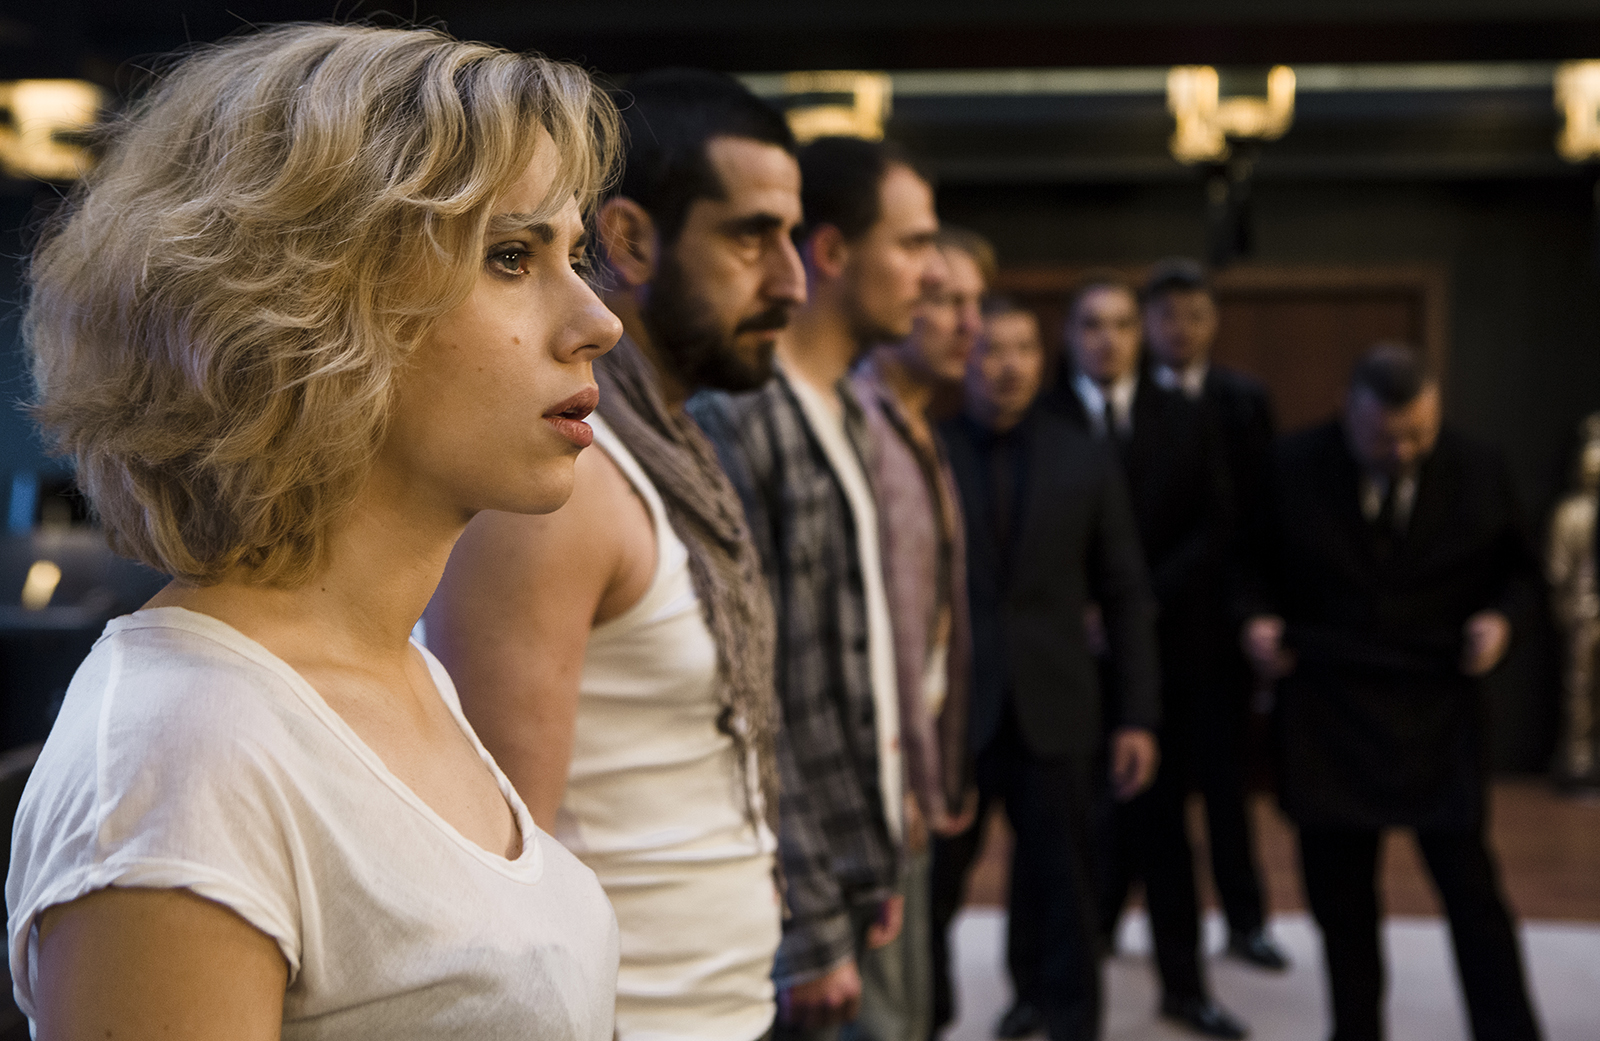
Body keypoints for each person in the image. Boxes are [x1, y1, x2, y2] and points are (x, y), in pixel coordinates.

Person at [7, 23, 623, 1038]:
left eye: (573, 254)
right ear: (316, 310)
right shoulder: (183, 752)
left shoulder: (398, 670)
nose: (598, 320)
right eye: (511, 257)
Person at [425, 70, 802, 1041]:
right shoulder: (557, 489)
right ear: (632, 240)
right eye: (752, 236)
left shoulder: (667, 446)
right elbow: (508, 867)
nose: (792, 281)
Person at [691, 136, 940, 1041]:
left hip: (862, 844)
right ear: (835, 252)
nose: (930, 271)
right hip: (805, 882)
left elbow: (854, 655)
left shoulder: (849, 408)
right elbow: (762, 688)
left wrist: (887, 817)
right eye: (911, 244)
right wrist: (813, 923)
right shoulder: (745, 414)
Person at [1242, 342, 1543, 1041]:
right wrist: (1253, 620)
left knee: (1473, 894)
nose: (1402, 450)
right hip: (1329, 706)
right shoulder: (1290, 465)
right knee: (1341, 902)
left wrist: (1501, 622)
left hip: (1437, 704)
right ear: (1347, 412)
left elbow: (1523, 576)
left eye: (1418, 434)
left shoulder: (1478, 466)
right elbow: (1245, 564)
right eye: (1383, 436)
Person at [938, 298, 1160, 1041]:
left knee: (1066, 889)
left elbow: (1126, 592)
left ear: (1042, 359)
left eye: (1023, 348)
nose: (1008, 365)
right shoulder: (928, 450)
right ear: (965, 360)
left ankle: (1063, 1016)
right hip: (955, 711)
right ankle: (922, 1018)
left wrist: (1138, 715)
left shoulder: (1082, 454)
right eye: (991, 349)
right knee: (933, 891)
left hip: (1057, 702)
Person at [1041, 273, 1247, 1039]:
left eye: (1123, 324)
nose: (1108, 339)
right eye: (1092, 325)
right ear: (1071, 336)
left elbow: (1215, 527)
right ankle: (1046, 985)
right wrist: (1079, 606)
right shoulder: (1042, 418)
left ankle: (1184, 986)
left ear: (1140, 334)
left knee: (1164, 833)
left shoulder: (1184, 417)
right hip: (1062, 656)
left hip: (1163, 657)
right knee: (1060, 834)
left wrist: (1134, 602)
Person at [851, 226, 990, 1041]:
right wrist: (895, 767)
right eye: (945, 301)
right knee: (882, 1014)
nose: (969, 323)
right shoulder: (862, 423)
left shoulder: (916, 421)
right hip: (876, 767)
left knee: (909, 1004)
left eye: (974, 302)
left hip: (914, 750)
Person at [1141, 258, 1288, 972]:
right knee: (1146, 790)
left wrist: (1261, 611)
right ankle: (1116, 919)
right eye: (1168, 316)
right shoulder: (1128, 398)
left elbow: (1262, 516)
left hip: (1223, 626)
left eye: (1195, 315)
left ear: (1214, 322)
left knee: (1228, 789)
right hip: (1146, 622)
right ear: (1148, 323)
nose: (1182, 329)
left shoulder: (1243, 400)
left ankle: (1246, 921)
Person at [1547, 412, 1600, 790]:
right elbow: (1558, 567)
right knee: (1578, 686)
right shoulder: (1571, 513)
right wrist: (1564, 608)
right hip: (1582, 611)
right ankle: (1577, 757)